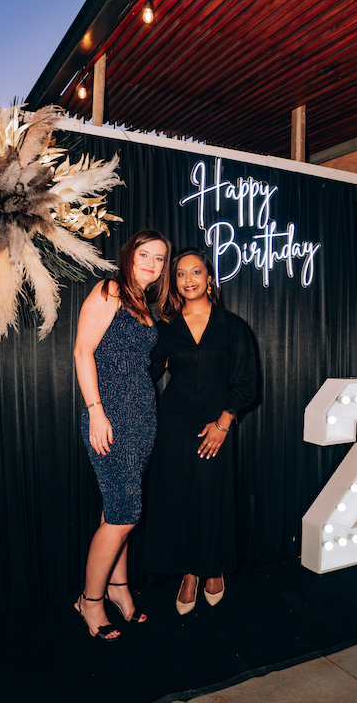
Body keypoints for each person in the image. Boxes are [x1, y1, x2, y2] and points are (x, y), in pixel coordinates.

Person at [144, 247, 256, 614]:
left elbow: (246, 384)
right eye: (180, 273)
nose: (188, 279)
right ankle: (189, 572)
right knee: (177, 498)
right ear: (174, 282)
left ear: (209, 278)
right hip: (172, 424)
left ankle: (213, 567)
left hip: (215, 425)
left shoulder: (232, 326)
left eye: (195, 272)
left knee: (210, 497)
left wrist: (224, 423)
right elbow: (149, 373)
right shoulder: (166, 327)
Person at [73, 229, 171, 640]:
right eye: (144, 254)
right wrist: (96, 411)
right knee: (125, 512)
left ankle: (119, 588)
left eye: (160, 258)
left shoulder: (145, 305)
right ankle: (90, 601)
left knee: (116, 508)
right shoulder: (110, 290)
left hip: (142, 417)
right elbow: (82, 351)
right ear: (130, 254)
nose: (152, 263)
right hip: (110, 415)